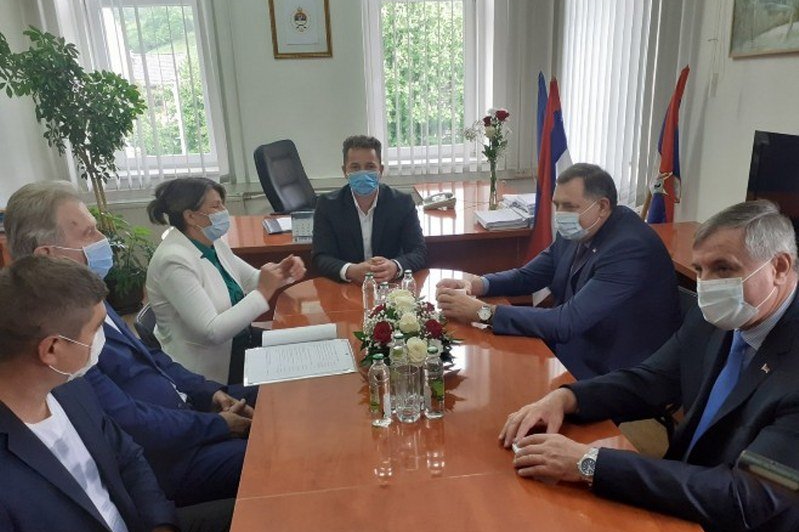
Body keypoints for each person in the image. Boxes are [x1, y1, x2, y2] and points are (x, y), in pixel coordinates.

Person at [499, 200, 799, 532]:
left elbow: (745, 497)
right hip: (681, 500)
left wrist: (590, 463)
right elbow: (650, 380)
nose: (707, 285)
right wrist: (567, 397)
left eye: (724, 268)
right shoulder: (719, 318)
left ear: (779, 267)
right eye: (701, 269)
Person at [5, 182, 256, 507]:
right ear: (48, 255)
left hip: (190, 415)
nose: (103, 240)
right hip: (170, 458)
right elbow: (131, 420)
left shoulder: (89, 296)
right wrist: (217, 425)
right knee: (277, 452)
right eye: (89, 233)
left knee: (278, 398)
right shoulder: (60, 339)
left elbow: (152, 358)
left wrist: (210, 393)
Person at [0, 255, 230, 532]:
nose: (102, 341)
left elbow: (129, 460)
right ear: (52, 349)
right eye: (96, 329)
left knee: (262, 514)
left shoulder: (71, 388)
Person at [437, 163, 680, 380]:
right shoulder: (581, 227)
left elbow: (566, 322)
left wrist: (482, 312)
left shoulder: (629, 248)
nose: (561, 214)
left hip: (615, 369)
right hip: (577, 345)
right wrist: (477, 284)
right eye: (557, 205)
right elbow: (528, 276)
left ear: (603, 206)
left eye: (569, 206)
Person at [146, 177, 306, 384]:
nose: (224, 211)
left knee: (306, 347)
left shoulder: (211, 243)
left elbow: (251, 280)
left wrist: (282, 272)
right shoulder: (173, 261)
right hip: (209, 371)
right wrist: (263, 292)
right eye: (216, 206)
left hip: (239, 343)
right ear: (191, 216)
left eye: (222, 204)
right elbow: (211, 332)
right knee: (292, 383)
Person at [312, 135, 427, 283]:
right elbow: (321, 257)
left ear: (381, 170)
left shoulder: (401, 203)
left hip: (390, 287)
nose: (363, 173)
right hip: (347, 287)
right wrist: (350, 270)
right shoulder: (327, 205)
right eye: (355, 167)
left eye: (370, 166)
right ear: (344, 171)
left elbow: (419, 252)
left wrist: (395, 267)